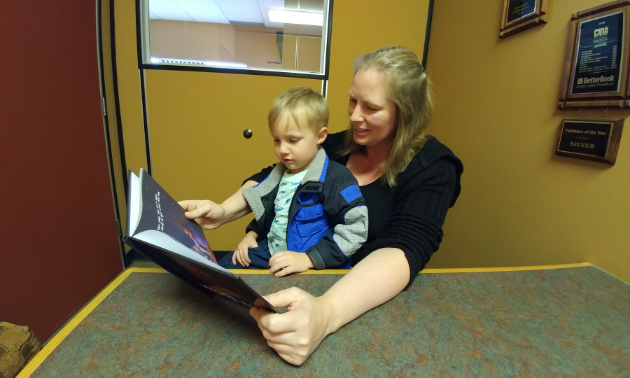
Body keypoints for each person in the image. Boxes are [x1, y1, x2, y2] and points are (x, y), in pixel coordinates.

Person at [179, 46, 463, 365]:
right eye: (353, 100)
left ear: (405, 112)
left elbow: (406, 246)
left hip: (356, 305)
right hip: (290, 279)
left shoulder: (434, 167)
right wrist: (223, 212)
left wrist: (326, 314)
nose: (355, 116)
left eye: (371, 107)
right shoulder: (336, 145)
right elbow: (270, 179)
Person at [216, 86, 368, 275]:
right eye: (277, 140)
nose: (283, 150)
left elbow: (355, 229)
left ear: (320, 136)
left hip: (312, 263)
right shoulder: (281, 173)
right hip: (271, 253)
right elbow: (274, 212)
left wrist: (309, 258)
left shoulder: (336, 177)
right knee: (221, 271)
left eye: (293, 140)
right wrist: (251, 235)